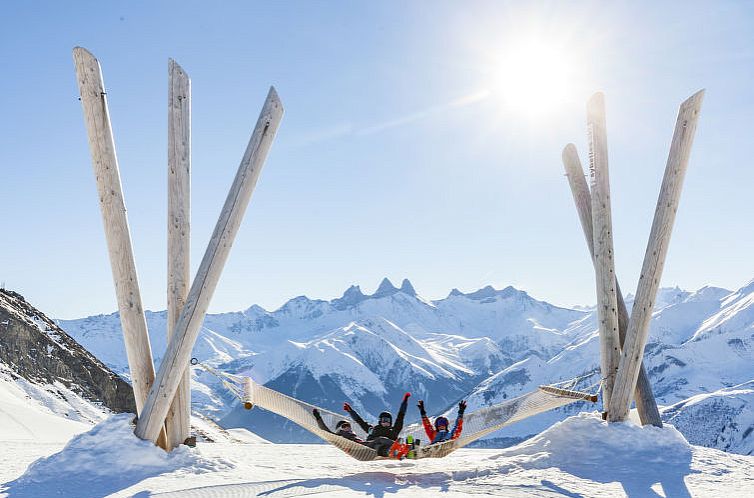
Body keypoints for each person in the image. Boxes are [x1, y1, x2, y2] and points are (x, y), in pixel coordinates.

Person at [343, 392, 411, 442]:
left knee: (394, 440)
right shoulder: (374, 430)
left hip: (388, 448)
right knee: (372, 440)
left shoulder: (394, 430)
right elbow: (360, 421)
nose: (386, 422)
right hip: (372, 447)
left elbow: (401, 416)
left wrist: (405, 401)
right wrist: (350, 411)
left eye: (388, 420)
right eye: (384, 420)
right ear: (380, 421)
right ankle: (345, 437)